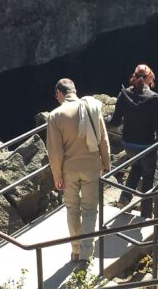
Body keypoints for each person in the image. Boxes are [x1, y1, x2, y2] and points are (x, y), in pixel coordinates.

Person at [46, 78, 111, 263]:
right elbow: (103, 140)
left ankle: (75, 251)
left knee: (72, 209)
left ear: (59, 93)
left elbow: (55, 152)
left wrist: (57, 176)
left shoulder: (55, 116)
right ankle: (86, 254)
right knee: (90, 210)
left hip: (69, 171)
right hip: (91, 167)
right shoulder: (91, 108)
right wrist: (106, 164)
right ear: (74, 91)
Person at [108, 64, 158, 218]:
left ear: (134, 76)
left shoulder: (124, 94)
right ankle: (146, 215)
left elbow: (114, 121)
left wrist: (103, 120)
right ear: (150, 78)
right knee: (148, 176)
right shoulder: (154, 99)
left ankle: (124, 198)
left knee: (136, 166)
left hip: (128, 144)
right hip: (146, 146)